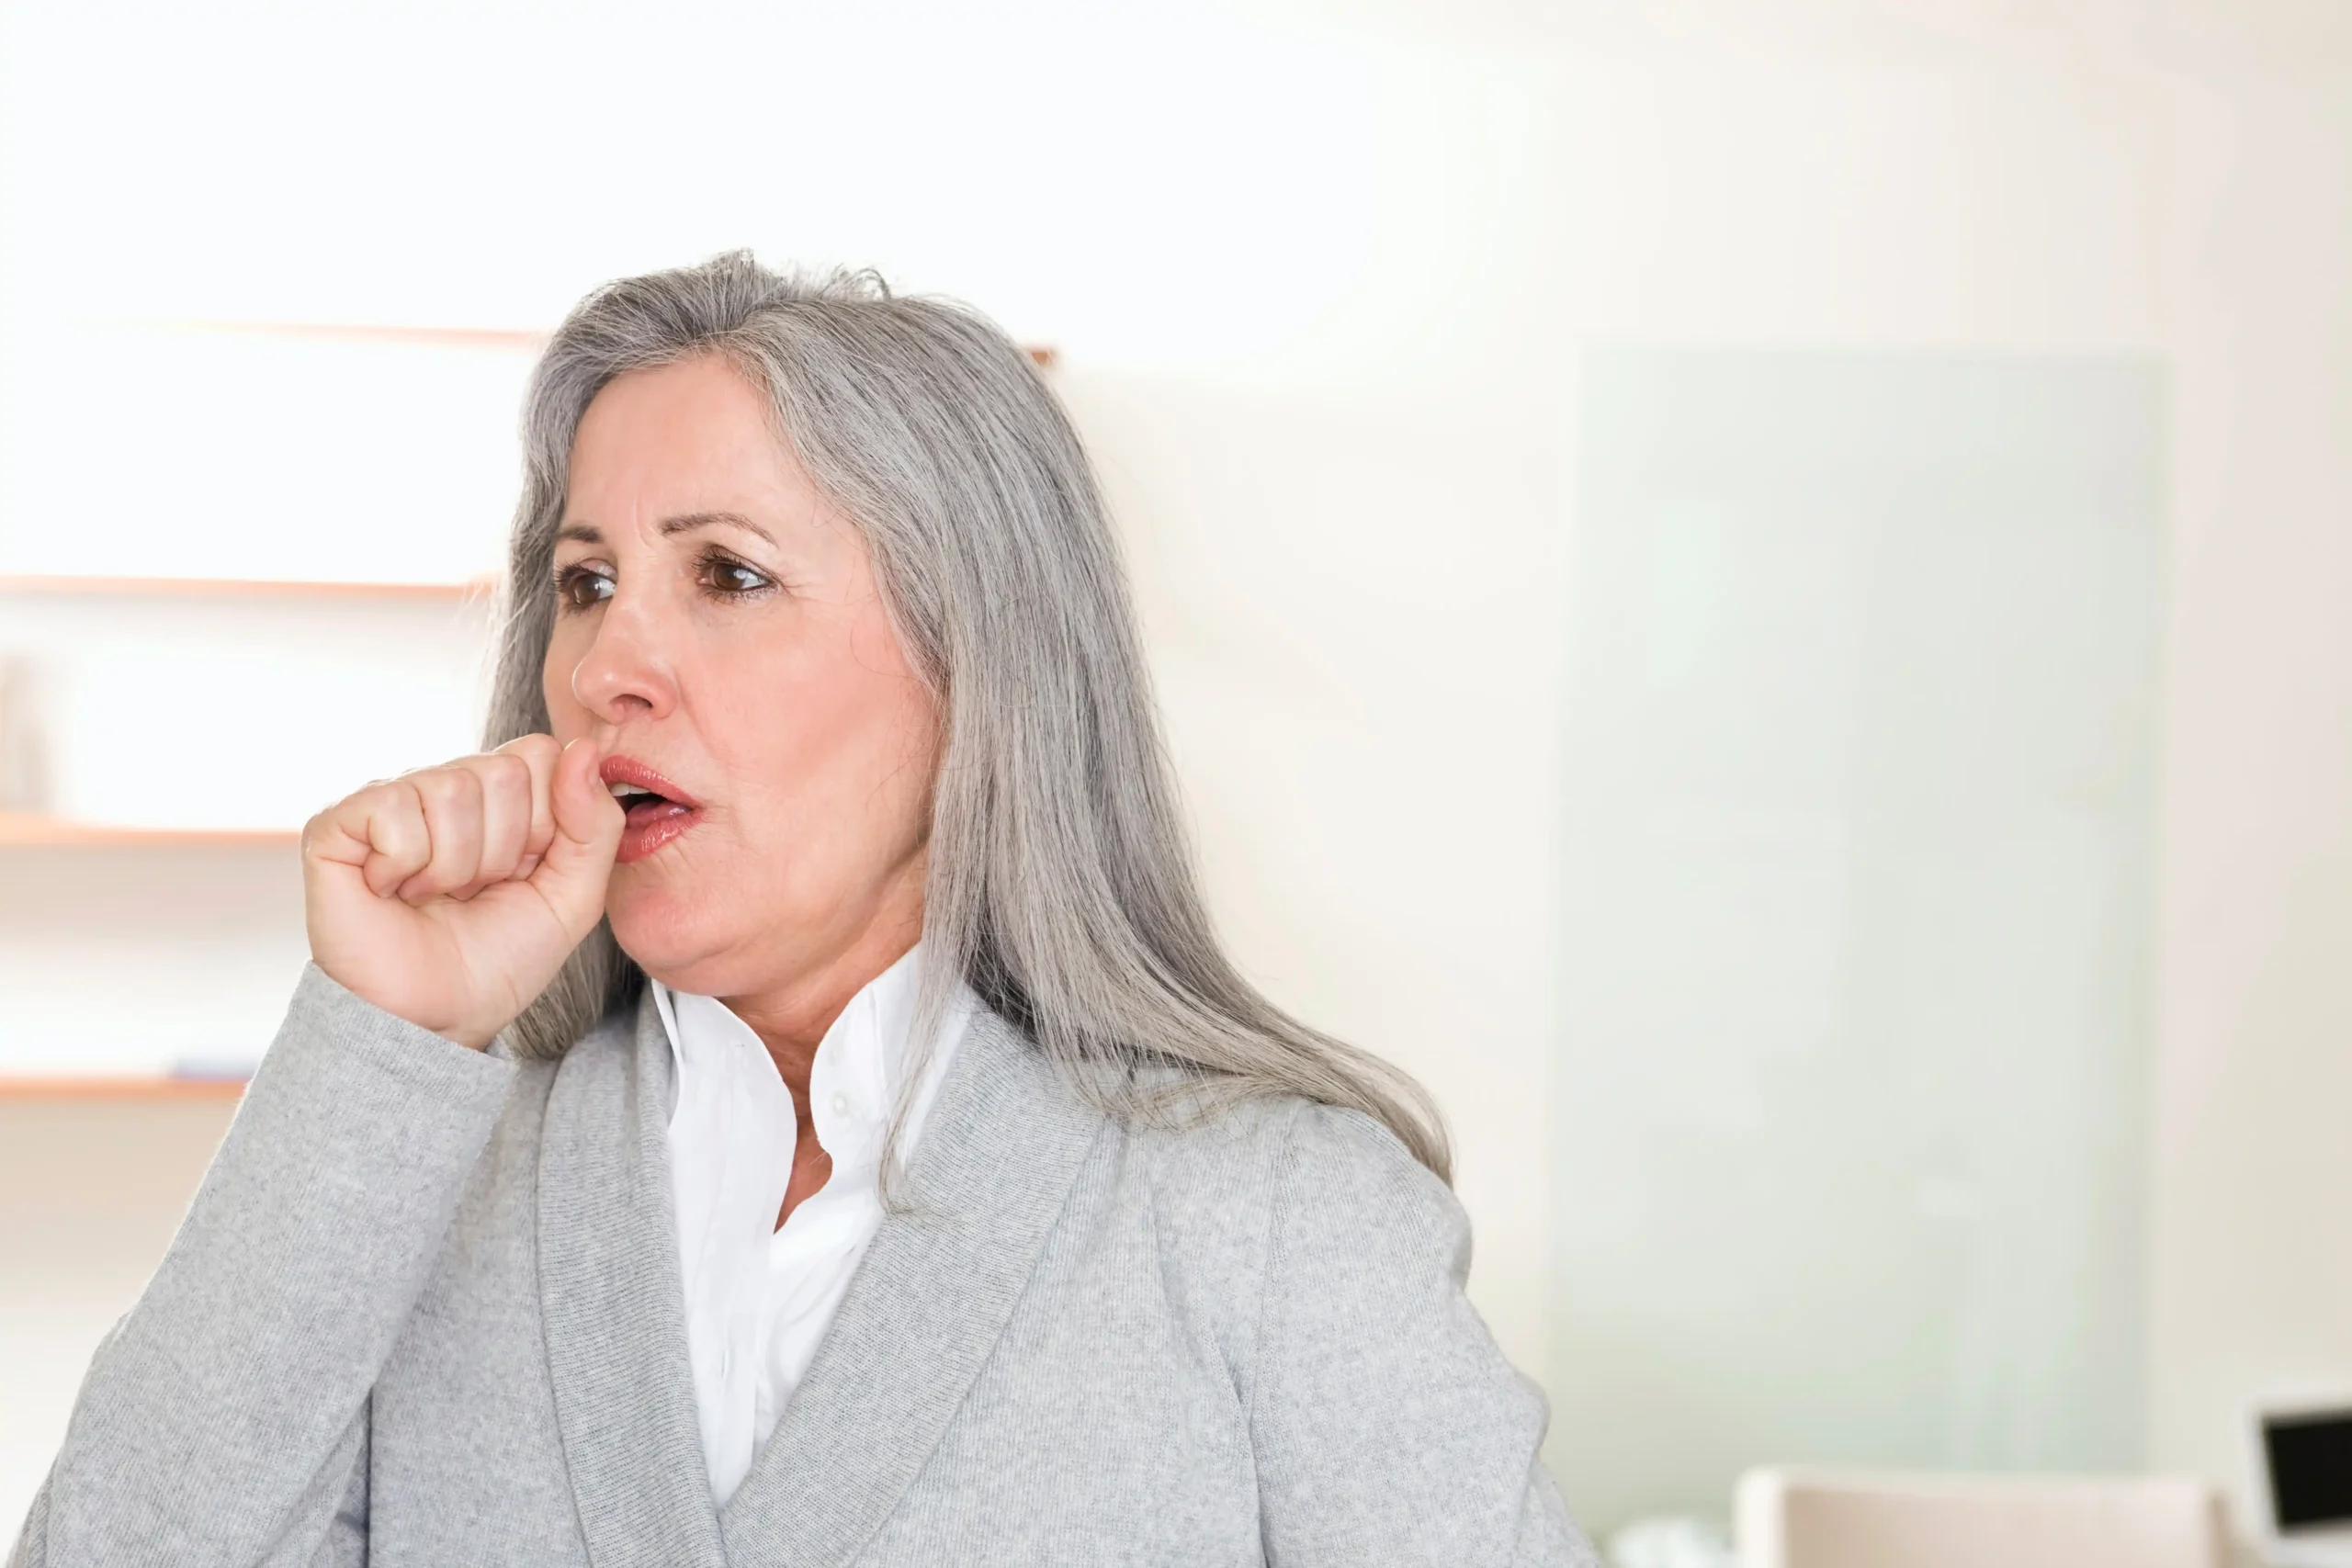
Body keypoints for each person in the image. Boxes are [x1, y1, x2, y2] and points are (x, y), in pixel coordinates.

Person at [9, 254, 1595, 1567]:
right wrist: (380, 1040)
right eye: (586, 582)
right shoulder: (422, 1191)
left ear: (976, 660)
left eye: (727, 575)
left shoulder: (1277, 1217)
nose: (607, 666)